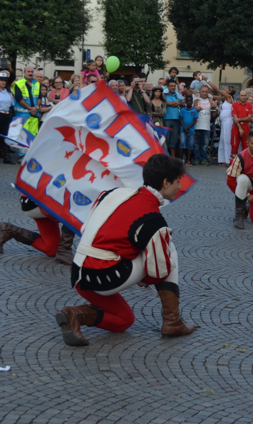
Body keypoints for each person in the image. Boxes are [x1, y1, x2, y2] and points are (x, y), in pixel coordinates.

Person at [55, 154, 194, 346]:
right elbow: (159, 270)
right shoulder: (152, 218)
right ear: (165, 182)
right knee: (167, 247)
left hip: (79, 273)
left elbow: (89, 229)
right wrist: (143, 277)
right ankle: (173, 321)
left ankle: (74, 314)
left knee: (124, 320)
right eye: (178, 181)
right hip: (104, 276)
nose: (179, 186)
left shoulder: (112, 193)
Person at [0, 194, 75, 264]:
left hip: (34, 200)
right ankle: (64, 250)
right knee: (76, 211)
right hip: (40, 201)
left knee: (52, 250)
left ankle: (7, 229)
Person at [209, 83, 235, 166]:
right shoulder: (225, 98)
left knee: (227, 140)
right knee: (223, 140)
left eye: (226, 88)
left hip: (228, 122)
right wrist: (207, 87)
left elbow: (216, 89)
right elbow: (214, 96)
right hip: (223, 122)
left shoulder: (229, 97)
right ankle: (223, 160)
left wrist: (207, 81)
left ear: (229, 91)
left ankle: (228, 160)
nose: (225, 88)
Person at [13, 66, 41, 136]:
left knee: (32, 137)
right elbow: (19, 98)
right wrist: (30, 108)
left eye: (32, 72)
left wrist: (36, 107)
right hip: (23, 115)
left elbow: (39, 97)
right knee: (23, 136)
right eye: (28, 72)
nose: (30, 73)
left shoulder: (37, 84)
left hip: (34, 115)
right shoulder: (18, 83)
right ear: (24, 73)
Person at [163, 80, 185, 158]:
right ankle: (165, 156)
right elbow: (162, 102)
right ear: (167, 87)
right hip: (167, 119)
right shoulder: (165, 95)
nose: (173, 87)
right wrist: (169, 103)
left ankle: (172, 157)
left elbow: (184, 104)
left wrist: (178, 103)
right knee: (166, 138)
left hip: (176, 119)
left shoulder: (177, 95)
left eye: (174, 86)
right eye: (171, 86)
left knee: (174, 139)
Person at [231, 90, 253, 160]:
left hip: (245, 126)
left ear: (246, 96)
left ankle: (245, 161)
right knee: (234, 145)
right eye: (242, 95)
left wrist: (239, 119)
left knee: (246, 145)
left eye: (245, 95)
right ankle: (233, 162)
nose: (243, 97)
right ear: (239, 96)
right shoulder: (234, 105)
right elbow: (235, 118)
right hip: (236, 126)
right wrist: (240, 128)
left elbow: (249, 118)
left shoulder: (250, 105)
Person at [194, 86, 215, 166]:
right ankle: (196, 159)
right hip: (197, 125)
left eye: (206, 92)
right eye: (203, 91)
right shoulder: (196, 99)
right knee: (196, 144)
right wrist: (195, 107)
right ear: (200, 92)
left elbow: (213, 114)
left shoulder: (210, 100)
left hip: (206, 126)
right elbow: (193, 109)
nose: (205, 93)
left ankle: (203, 159)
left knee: (205, 145)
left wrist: (215, 108)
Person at [0, 71, 15, 164]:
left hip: (6, 115)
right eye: (1, 80)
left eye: (5, 80)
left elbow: (12, 105)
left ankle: (7, 157)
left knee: (5, 136)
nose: (3, 82)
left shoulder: (8, 93)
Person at [179, 95, 198, 165]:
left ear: (192, 101)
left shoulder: (194, 110)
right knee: (182, 144)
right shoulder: (182, 110)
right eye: (188, 101)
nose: (189, 102)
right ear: (186, 102)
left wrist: (188, 127)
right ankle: (180, 159)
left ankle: (188, 160)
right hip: (183, 130)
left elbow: (195, 121)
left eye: (190, 101)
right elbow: (180, 119)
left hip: (191, 130)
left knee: (190, 145)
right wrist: (184, 127)